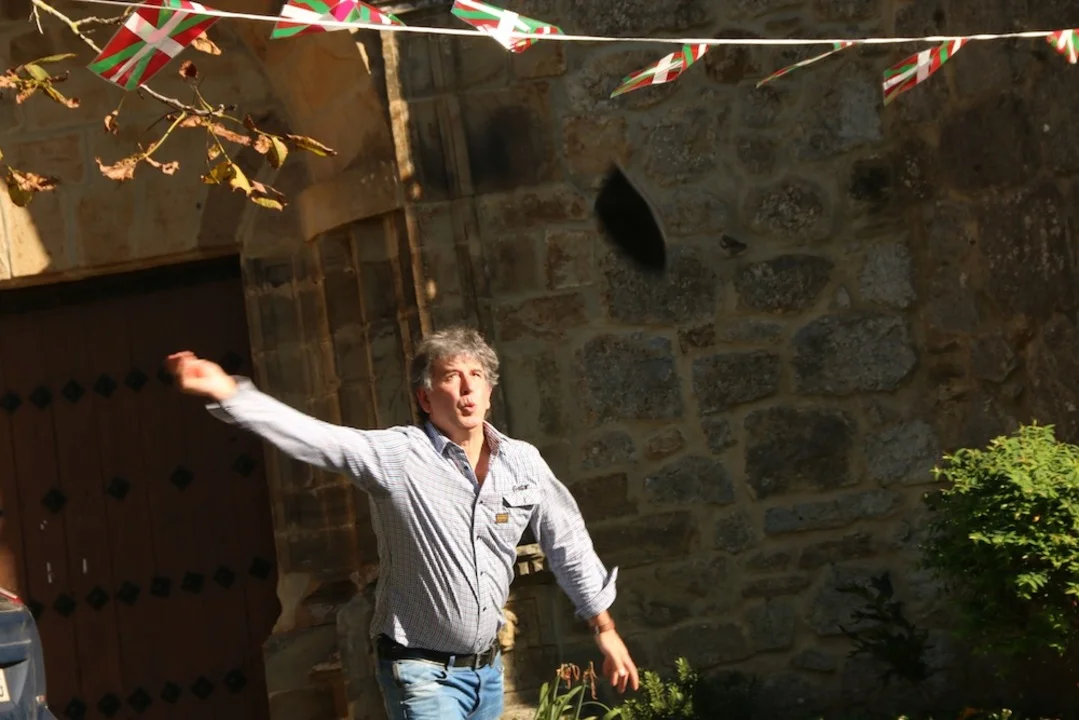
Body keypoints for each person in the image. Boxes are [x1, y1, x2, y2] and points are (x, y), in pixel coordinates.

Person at [166, 325, 638, 720]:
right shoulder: (398, 456)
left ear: (490, 394)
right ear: (425, 398)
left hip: (487, 673)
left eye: (476, 376)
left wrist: (605, 628)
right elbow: (317, 439)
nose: (467, 388)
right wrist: (228, 392)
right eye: (452, 377)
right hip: (421, 673)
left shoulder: (523, 463)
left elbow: (567, 540)